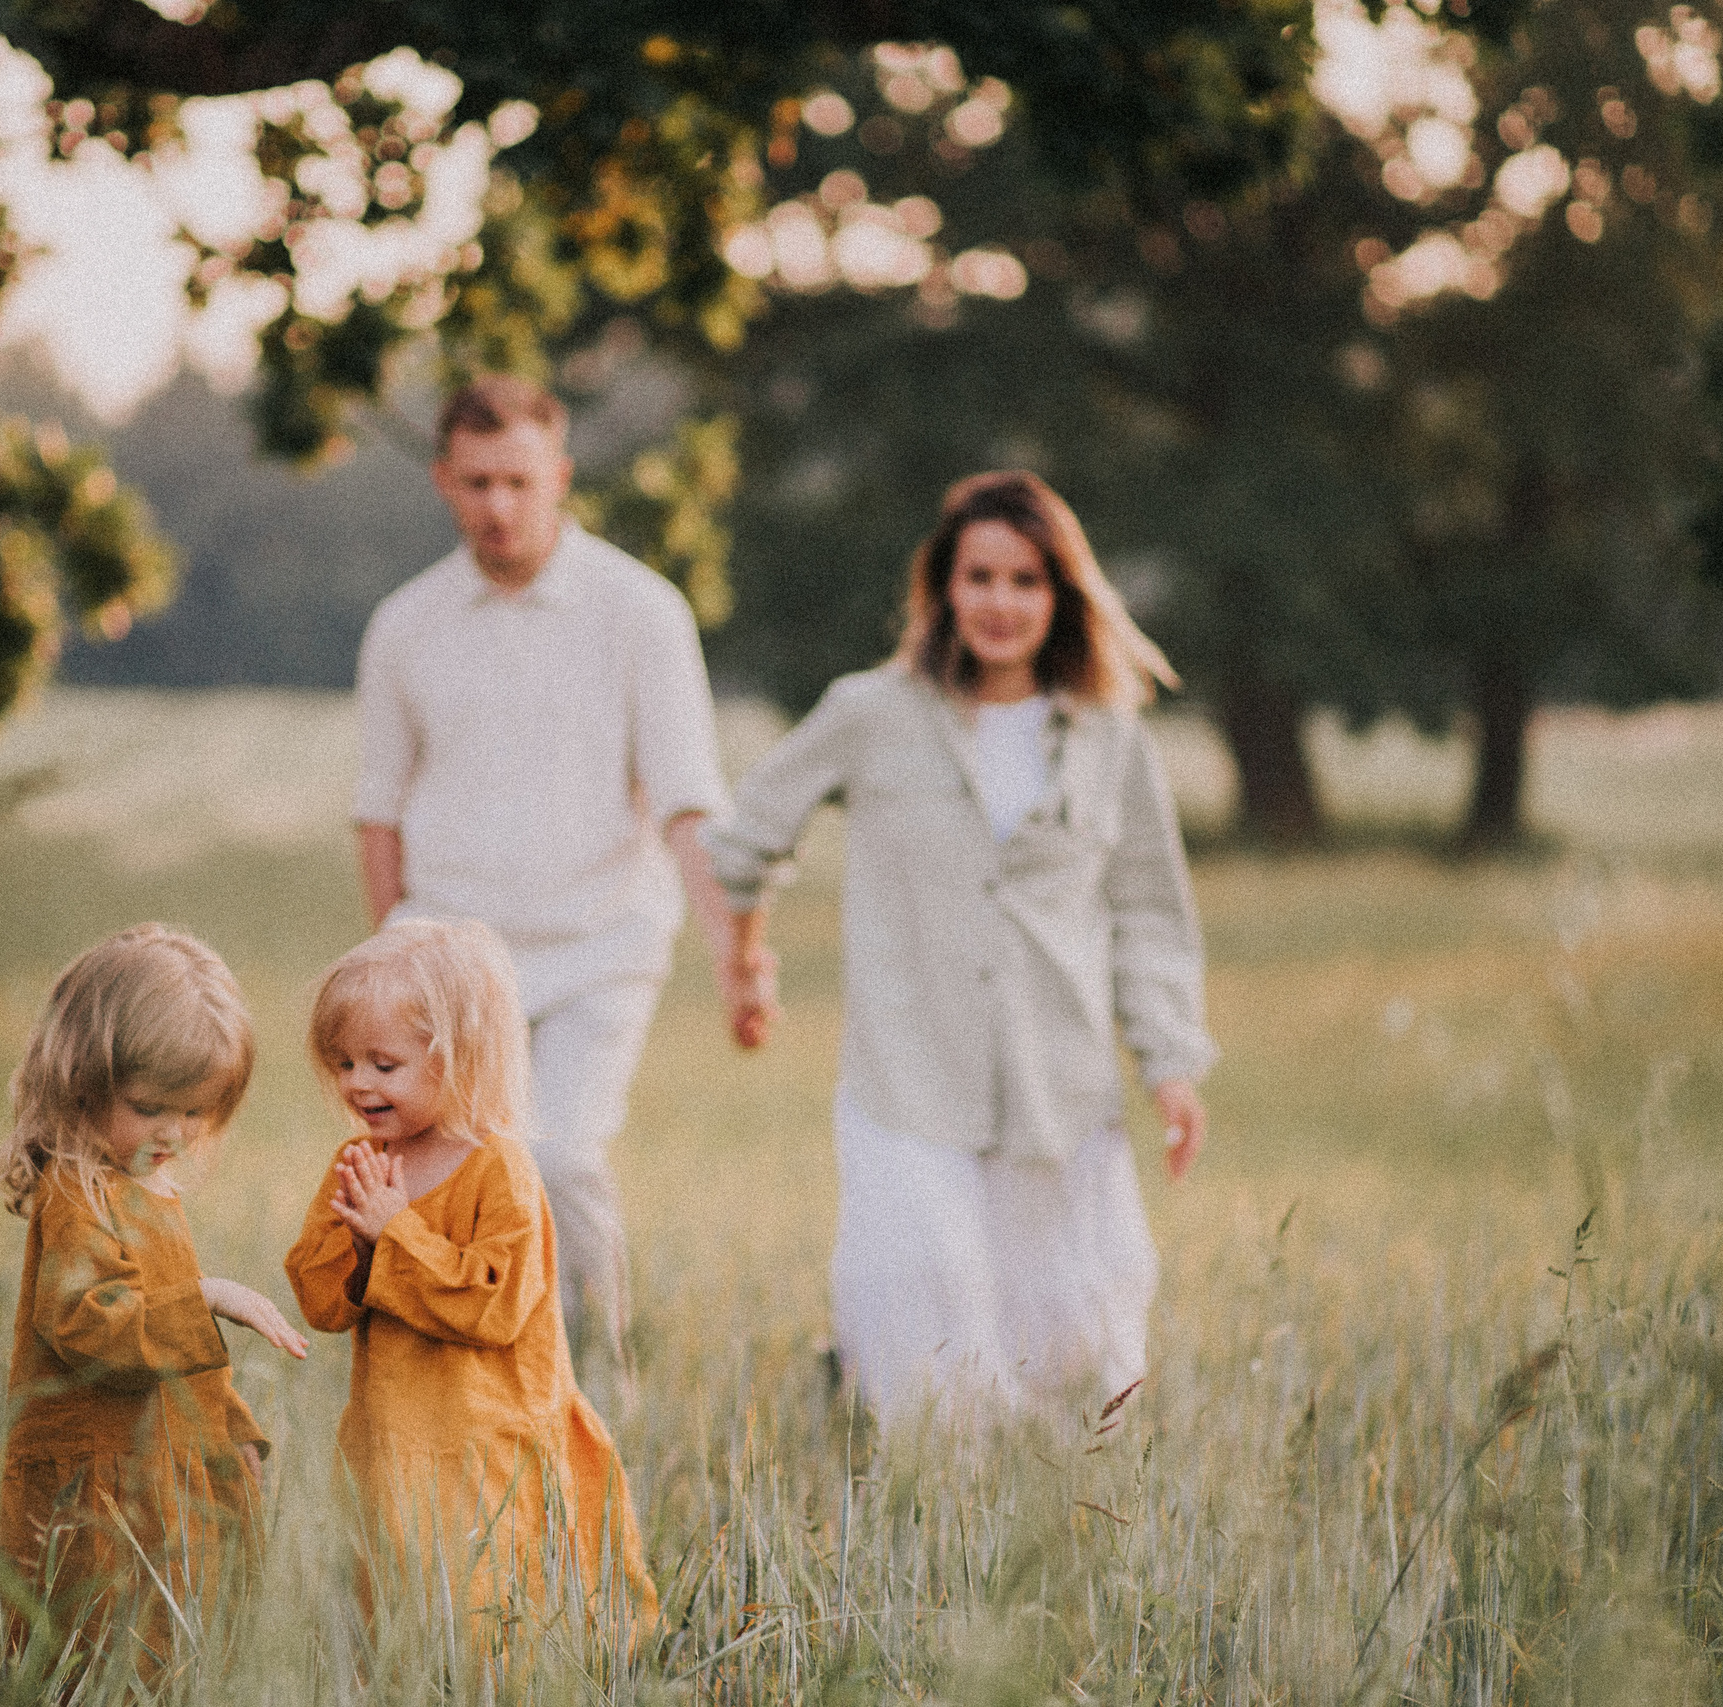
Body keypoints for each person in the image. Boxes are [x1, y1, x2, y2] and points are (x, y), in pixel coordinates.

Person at [703, 471, 1217, 1422]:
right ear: (942, 587)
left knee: (1070, 1345)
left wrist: (1170, 1065)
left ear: (1061, 595)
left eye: (1026, 580)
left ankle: (1052, 1537)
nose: (1001, 603)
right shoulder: (870, 712)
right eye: (979, 577)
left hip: (1058, 1084)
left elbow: (1149, 909)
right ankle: (907, 1484)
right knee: (928, 1329)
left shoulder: (1110, 737)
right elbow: (745, 844)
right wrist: (747, 965)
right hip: (907, 1079)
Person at [351, 374, 768, 1375]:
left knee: (560, 1155)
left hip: (598, 942)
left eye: (518, 482)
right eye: (477, 483)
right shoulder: (404, 626)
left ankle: (594, 1373)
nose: (498, 507)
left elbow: (686, 801)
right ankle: (449, 1376)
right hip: (447, 956)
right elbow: (379, 814)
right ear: (444, 481)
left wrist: (736, 958)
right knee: (444, 1179)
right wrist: (385, 973)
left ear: (559, 477)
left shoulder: (640, 612)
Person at [284, 918, 658, 1632]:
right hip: (391, 1435)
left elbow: (495, 1303)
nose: (358, 1083)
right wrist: (361, 1245)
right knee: (396, 1609)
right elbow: (322, 1300)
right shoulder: (360, 1162)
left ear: (458, 1059)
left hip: (487, 1441)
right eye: (343, 1063)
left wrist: (396, 1230)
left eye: (383, 1064)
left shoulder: (499, 1166)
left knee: (490, 1608)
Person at [0, 924, 309, 1681]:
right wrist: (206, 1297)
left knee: (167, 1653)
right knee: (95, 1656)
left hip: (154, 1478)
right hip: (92, 1493)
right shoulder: (78, 1191)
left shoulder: (144, 1186)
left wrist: (235, 1434)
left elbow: (185, 1369)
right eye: (150, 1106)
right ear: (80, 1080)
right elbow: (87, 1325)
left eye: (195, 1113)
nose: (174, 1133)